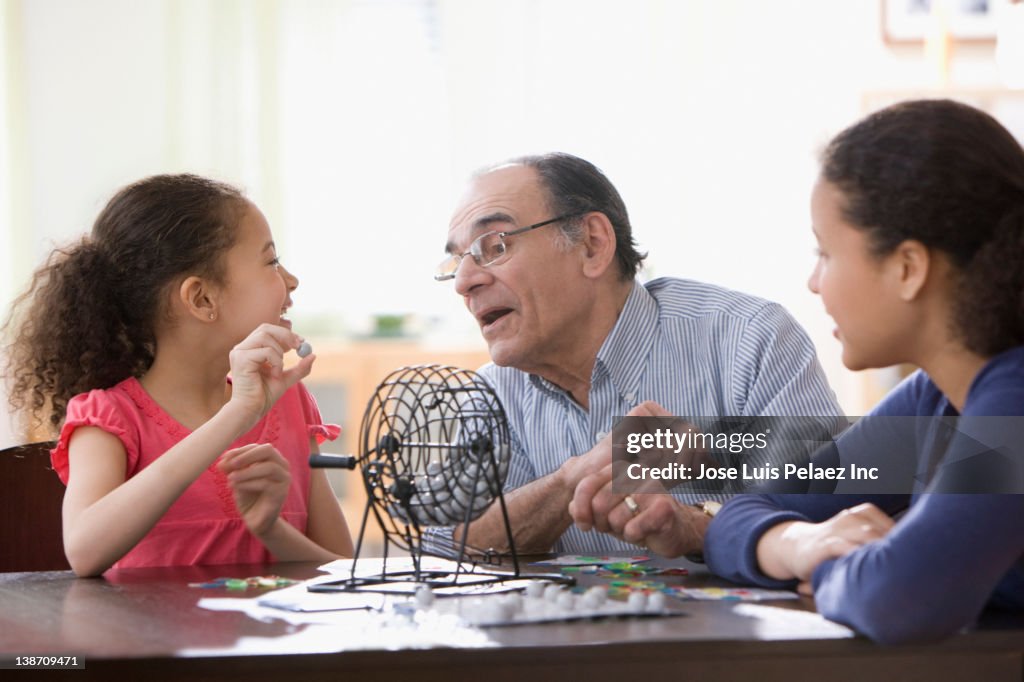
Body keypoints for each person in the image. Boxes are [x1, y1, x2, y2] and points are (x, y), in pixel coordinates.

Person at [604, 99, 1024, 643]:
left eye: (825, 253)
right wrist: (794, 543)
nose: (813, 282)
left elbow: (896, 598)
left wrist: (844, 564)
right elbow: (759, 503)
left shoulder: (1013, 406)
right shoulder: (935, 398)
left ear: (907, 268)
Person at [428, 152, 841, 557]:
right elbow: (449, 543)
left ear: (592, 244)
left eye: (495, 245)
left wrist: (695, 524)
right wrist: (576, 478)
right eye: (456, 261)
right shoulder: (494, 392)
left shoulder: (748, 339)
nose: (464, 282)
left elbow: (830, 519)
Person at [2, 174, 354, 576]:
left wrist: (270, 529)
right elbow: (84, 550)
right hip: (151, 641)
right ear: (201, 298)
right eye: (271, 261)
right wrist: (236, 416)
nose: (291, 280)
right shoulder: (108, 418)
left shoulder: (290, 403)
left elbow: (342, 571)